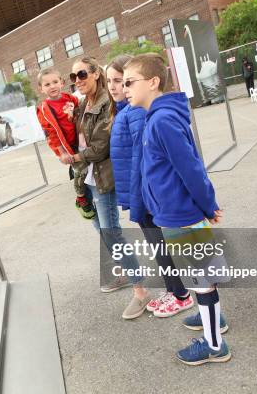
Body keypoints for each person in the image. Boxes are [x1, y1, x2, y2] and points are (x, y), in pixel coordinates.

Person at [123, 53, 231, 365]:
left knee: (202, 279)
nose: (125, 88)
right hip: (174, 214)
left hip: (183, 216)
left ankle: (214, 345)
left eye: (130, 82)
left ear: (153, 82)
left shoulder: (163, 120)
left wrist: (208, 205)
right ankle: (212, 318)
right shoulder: (155, 117)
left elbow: (192, 169)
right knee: (201, 278)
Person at [63, 56, 151, 320]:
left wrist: (76, 158)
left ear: (95, 74)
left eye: (81, 75)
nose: (76, 80)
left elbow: (101, 146)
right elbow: (76, 138)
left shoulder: (105, 103)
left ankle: (141, 291)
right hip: (86, 179)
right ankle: (124, 273)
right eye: (73, 76)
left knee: (112, 233)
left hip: (102, 177)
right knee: (101, 231)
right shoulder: (80, 104)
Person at [107, 54, 194, 319]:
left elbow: (141, 157)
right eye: (110, 81)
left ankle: (181, 294)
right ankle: (174, 289)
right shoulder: (125, 110)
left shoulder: (135, 112)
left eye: (122, 81)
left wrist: (139, 195)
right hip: (140, 191)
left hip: (144, 191)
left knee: (162, 244)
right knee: (158, 244)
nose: (115, 87)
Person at [36, 68, 95, 219]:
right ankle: (80, 197)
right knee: (81, 171)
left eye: (55, 82)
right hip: (66, 147)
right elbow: (51, 134)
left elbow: (81, 112)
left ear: (62, 83)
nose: (52, 86)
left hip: (80, 140)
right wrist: (62, 152)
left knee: (90, 167)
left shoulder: (71, 98)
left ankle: (89, 193)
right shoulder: (44, 109)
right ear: (41, 89)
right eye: (47, 84)